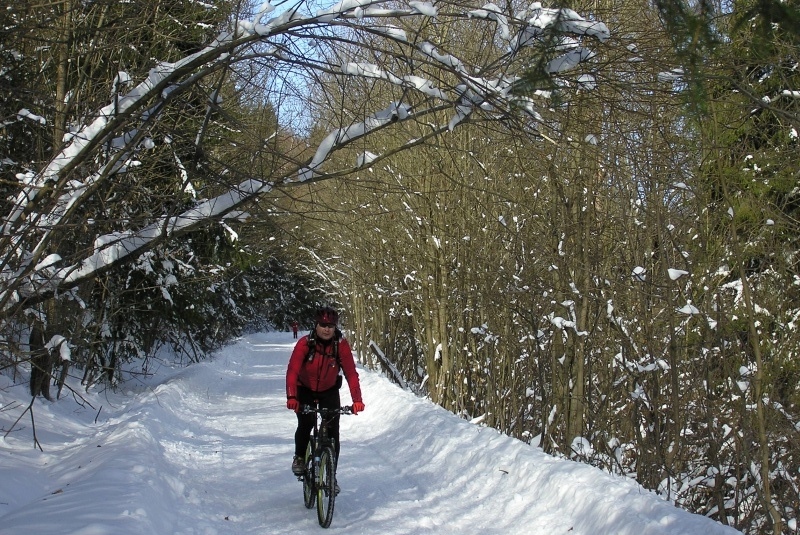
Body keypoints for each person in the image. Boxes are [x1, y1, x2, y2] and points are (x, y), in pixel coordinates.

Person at [286, 307, 365, 490]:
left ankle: (331, 476)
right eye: (323, 325)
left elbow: (351, 373)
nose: (326, 329)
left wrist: (357, 400)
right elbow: (292, 370)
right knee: (305, 423)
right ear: (316, 325)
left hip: (329, 391)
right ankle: (299, 456)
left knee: (332, 432)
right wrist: (291, 395)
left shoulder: (340, 345)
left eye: (330, 325)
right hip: (304, 389)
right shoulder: (306, 343)